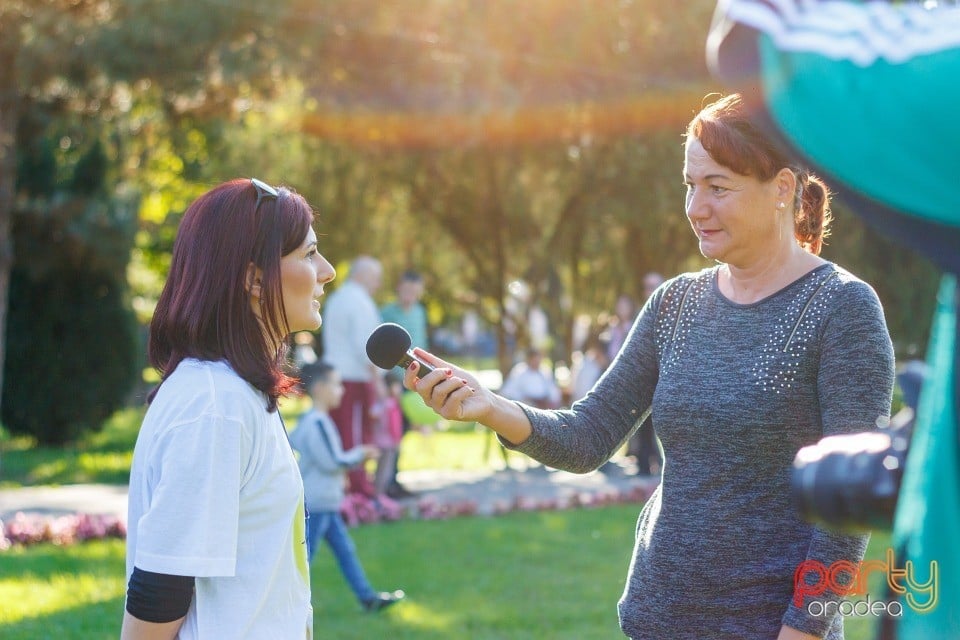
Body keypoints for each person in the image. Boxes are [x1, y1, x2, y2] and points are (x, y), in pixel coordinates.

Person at [403, 93, 895, 640]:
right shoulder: (675, 304)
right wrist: (490, 406)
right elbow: (589, 437)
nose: (695, 207)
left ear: (782, 188)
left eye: (717, 187)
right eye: (690, 184)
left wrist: (804, 629)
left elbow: (848, 506)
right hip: (657, 619)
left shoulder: (841, 307)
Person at [122, 178, 337, 639]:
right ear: (254, 278)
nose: (328, 271)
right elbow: (160, 589)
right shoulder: (215, 406)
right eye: (308, 254)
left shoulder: (236, 394)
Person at [288, 361, 405, 612]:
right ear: (320, 389)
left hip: (326, 502)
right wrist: (360, 454)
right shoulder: (317, 423)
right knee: (304, 559)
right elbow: (333, 461)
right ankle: (285, 605)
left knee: (345, 551)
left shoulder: (311, 420)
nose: (341, 390)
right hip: (318, 503)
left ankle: (367, 598)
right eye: (337, 385)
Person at [321, 255, 384, 497]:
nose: (377, 284)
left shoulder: (338, 298)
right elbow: (366, 347)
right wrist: (377, 382)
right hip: (354, 378)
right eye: (375, 278)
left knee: (340, 432)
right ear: (362, 275)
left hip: (335, 375)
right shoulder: (359, 302)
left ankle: (345, 486)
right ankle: (358, 488)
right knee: (355, 433)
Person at [379, 269, 429, 498]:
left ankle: (394, 478)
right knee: (392, 431)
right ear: (399, 287)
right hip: (392, 385)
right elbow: (381, 348)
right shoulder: (387, 312)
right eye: (406, 289)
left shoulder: (419, 312)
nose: (410, 294)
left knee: (404, 431)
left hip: (412, 384)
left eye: (414, 291)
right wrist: (389, 381)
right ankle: (386, 482)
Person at [625, 272, 666, 477]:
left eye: (653, 286)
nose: (649, 291)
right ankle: (645, 463)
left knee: (655, 426)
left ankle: (654, 461)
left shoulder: (672, 315)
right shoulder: (642, 314)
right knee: (643, 426)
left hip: (662, 381)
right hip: (643, 382)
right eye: (646, 286)